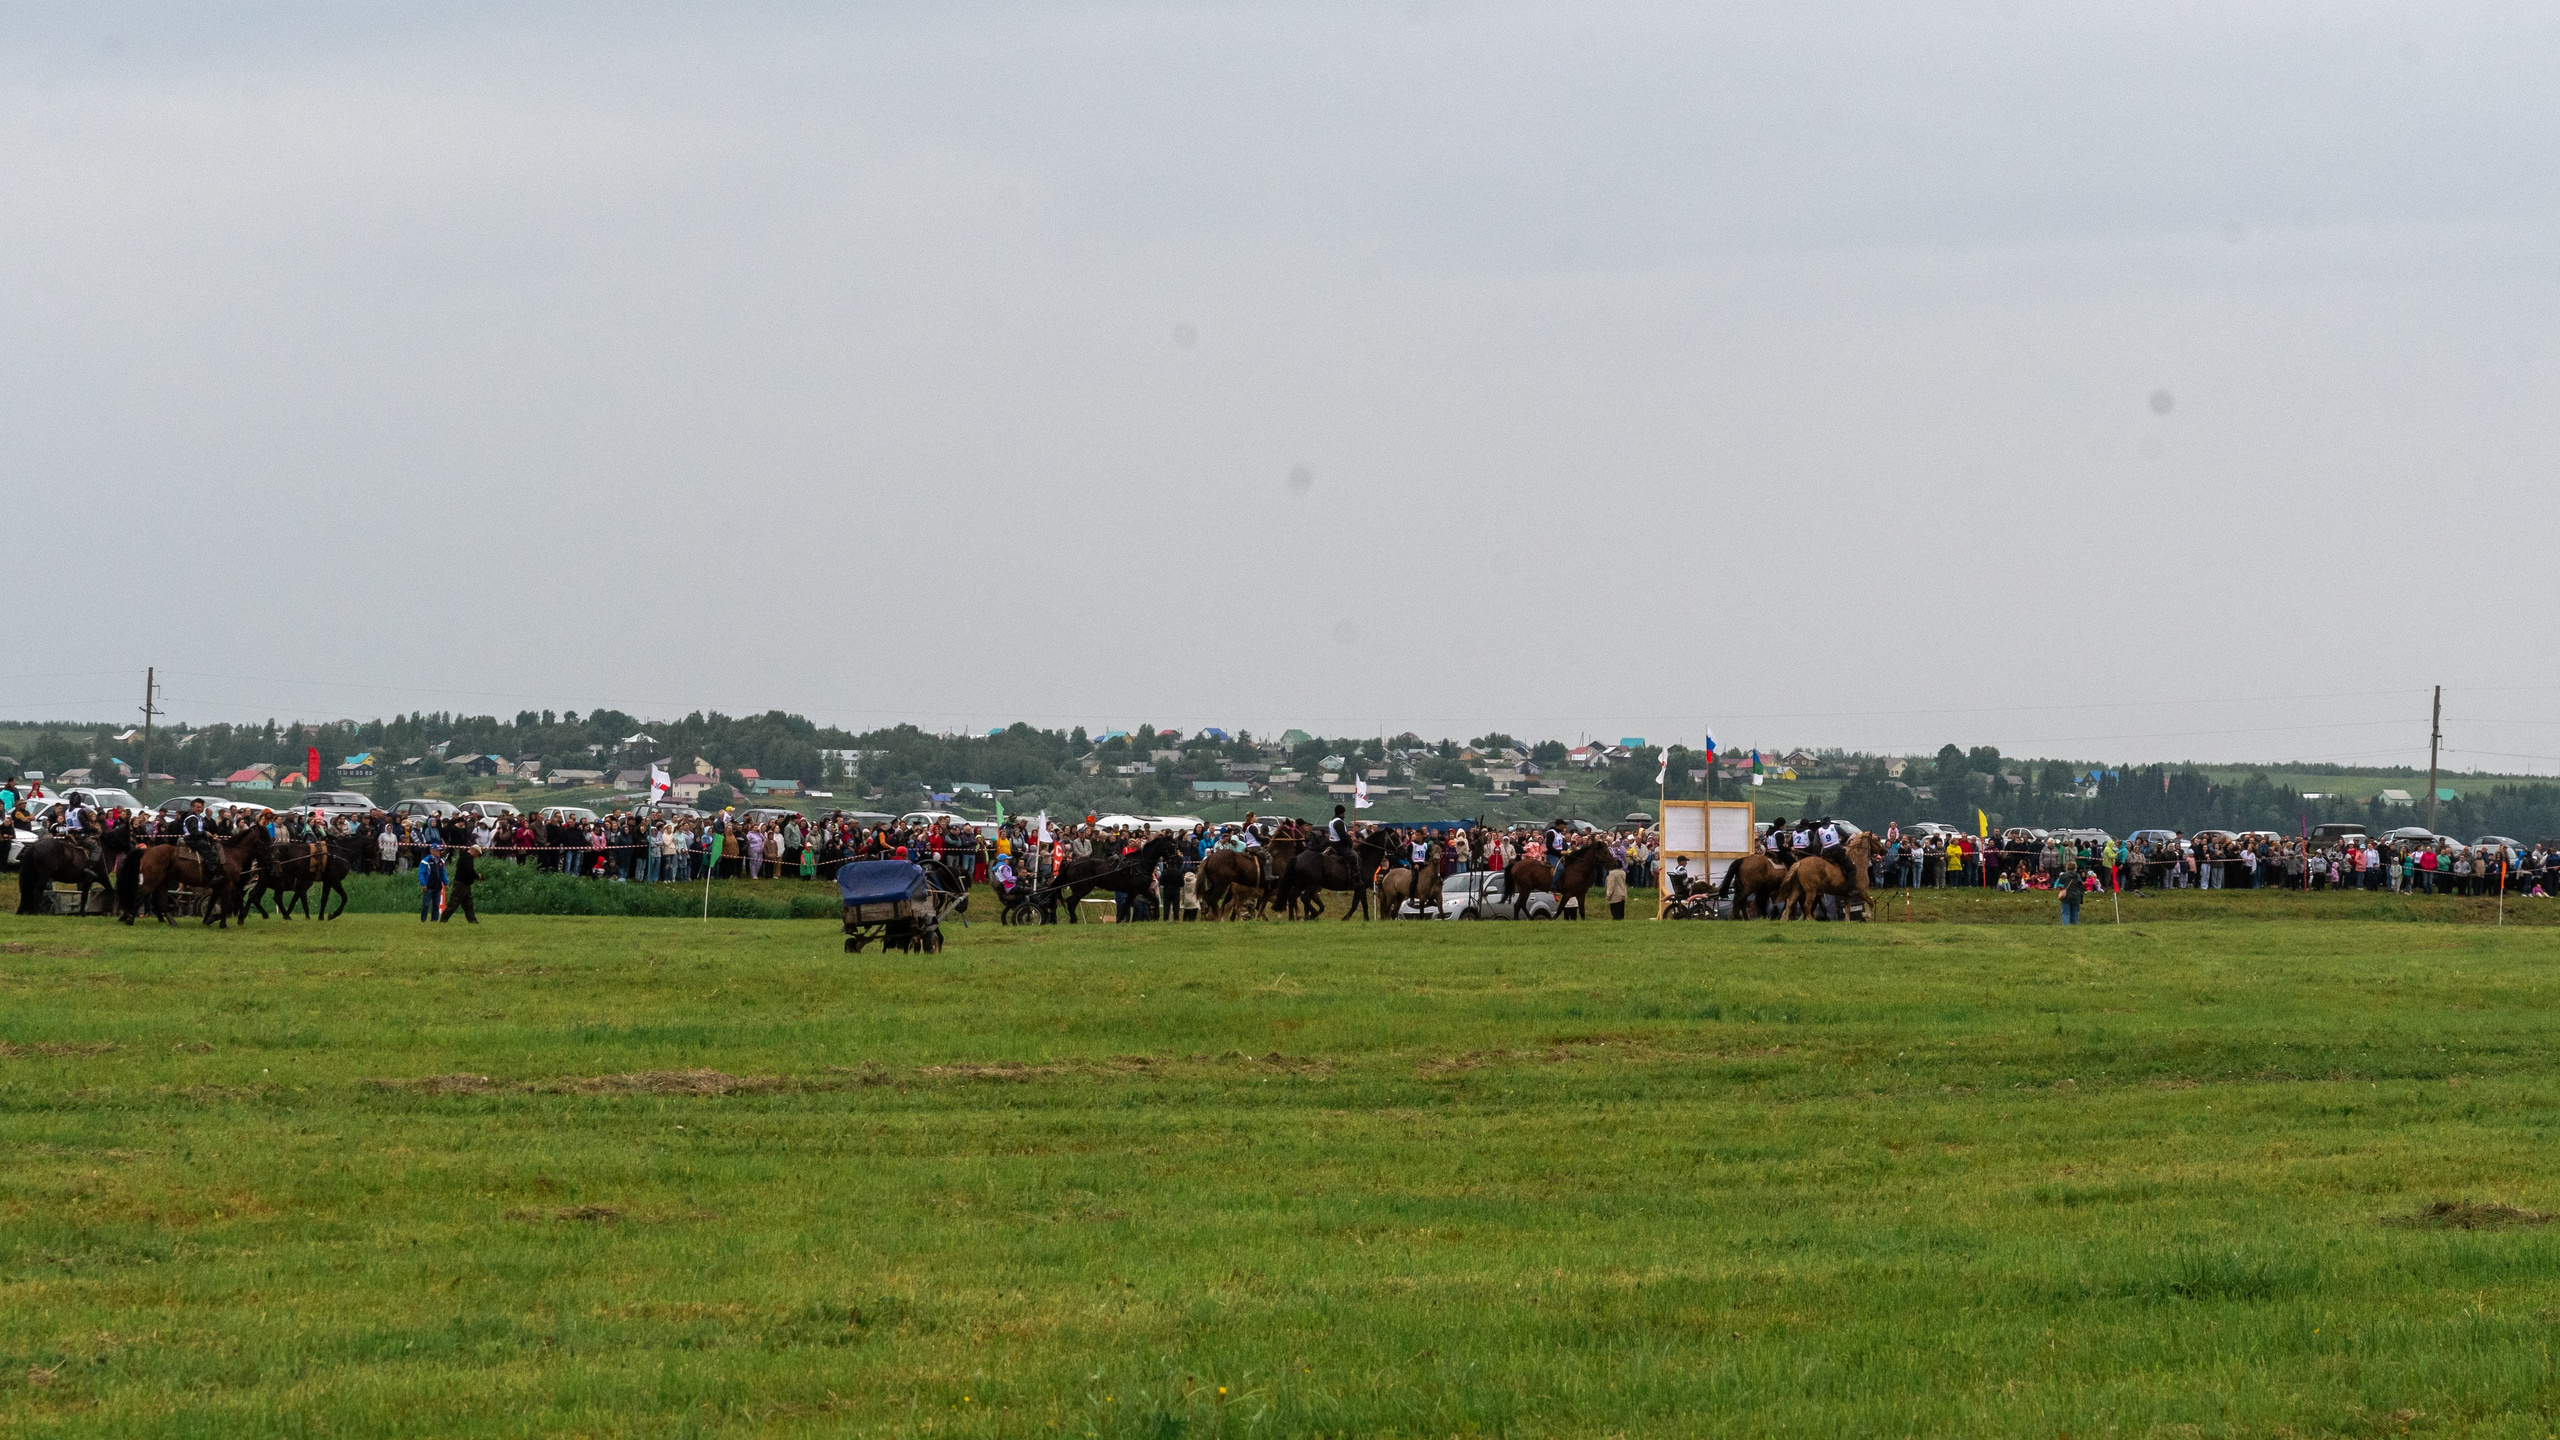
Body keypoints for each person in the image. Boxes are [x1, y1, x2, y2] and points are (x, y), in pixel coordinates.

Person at [443, 844, 482, 924]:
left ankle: (472, 920)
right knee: (453, 903)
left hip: (465, 885)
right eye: (477, 854)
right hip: (461, 885)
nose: (477, 856)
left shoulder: (465, 857)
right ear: (474, 851)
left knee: (468, 904)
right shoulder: (466, 858)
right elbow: (469, 871)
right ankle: (443, 919)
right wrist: (477, 876)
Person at [418, 845, 446, 922]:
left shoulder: (441, 861)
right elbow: (421, 873)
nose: (439, 852)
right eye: (437, 850)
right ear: (431, 851)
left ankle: (434, 920)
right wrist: (423, 884)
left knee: (436, 904)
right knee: (426, 904)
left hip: (438, 886)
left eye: (439, 850)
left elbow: (443, 873)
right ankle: (423, 920)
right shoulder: (425, 861)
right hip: (428, 886)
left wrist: (446, 883)